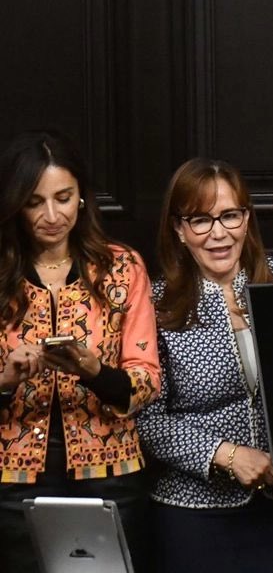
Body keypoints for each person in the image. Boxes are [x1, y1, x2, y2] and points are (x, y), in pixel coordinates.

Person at [136, 158, 273, 571]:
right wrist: (228, 455)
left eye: (230, 215)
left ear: (246, 219)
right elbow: (148, 421)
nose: (219, 233)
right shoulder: (156, 304)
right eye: (200, 220)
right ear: (179, 230)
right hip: (195, 515)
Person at [0, 130, 160, 573]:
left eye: (64, 197)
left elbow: (146, 380)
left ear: (82, 198)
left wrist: (93, 370)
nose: (52, 215)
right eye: (35, 202)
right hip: (11, 479)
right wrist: (7, 379)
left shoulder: (121, 267)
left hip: (111, 477)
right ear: (15, 205)